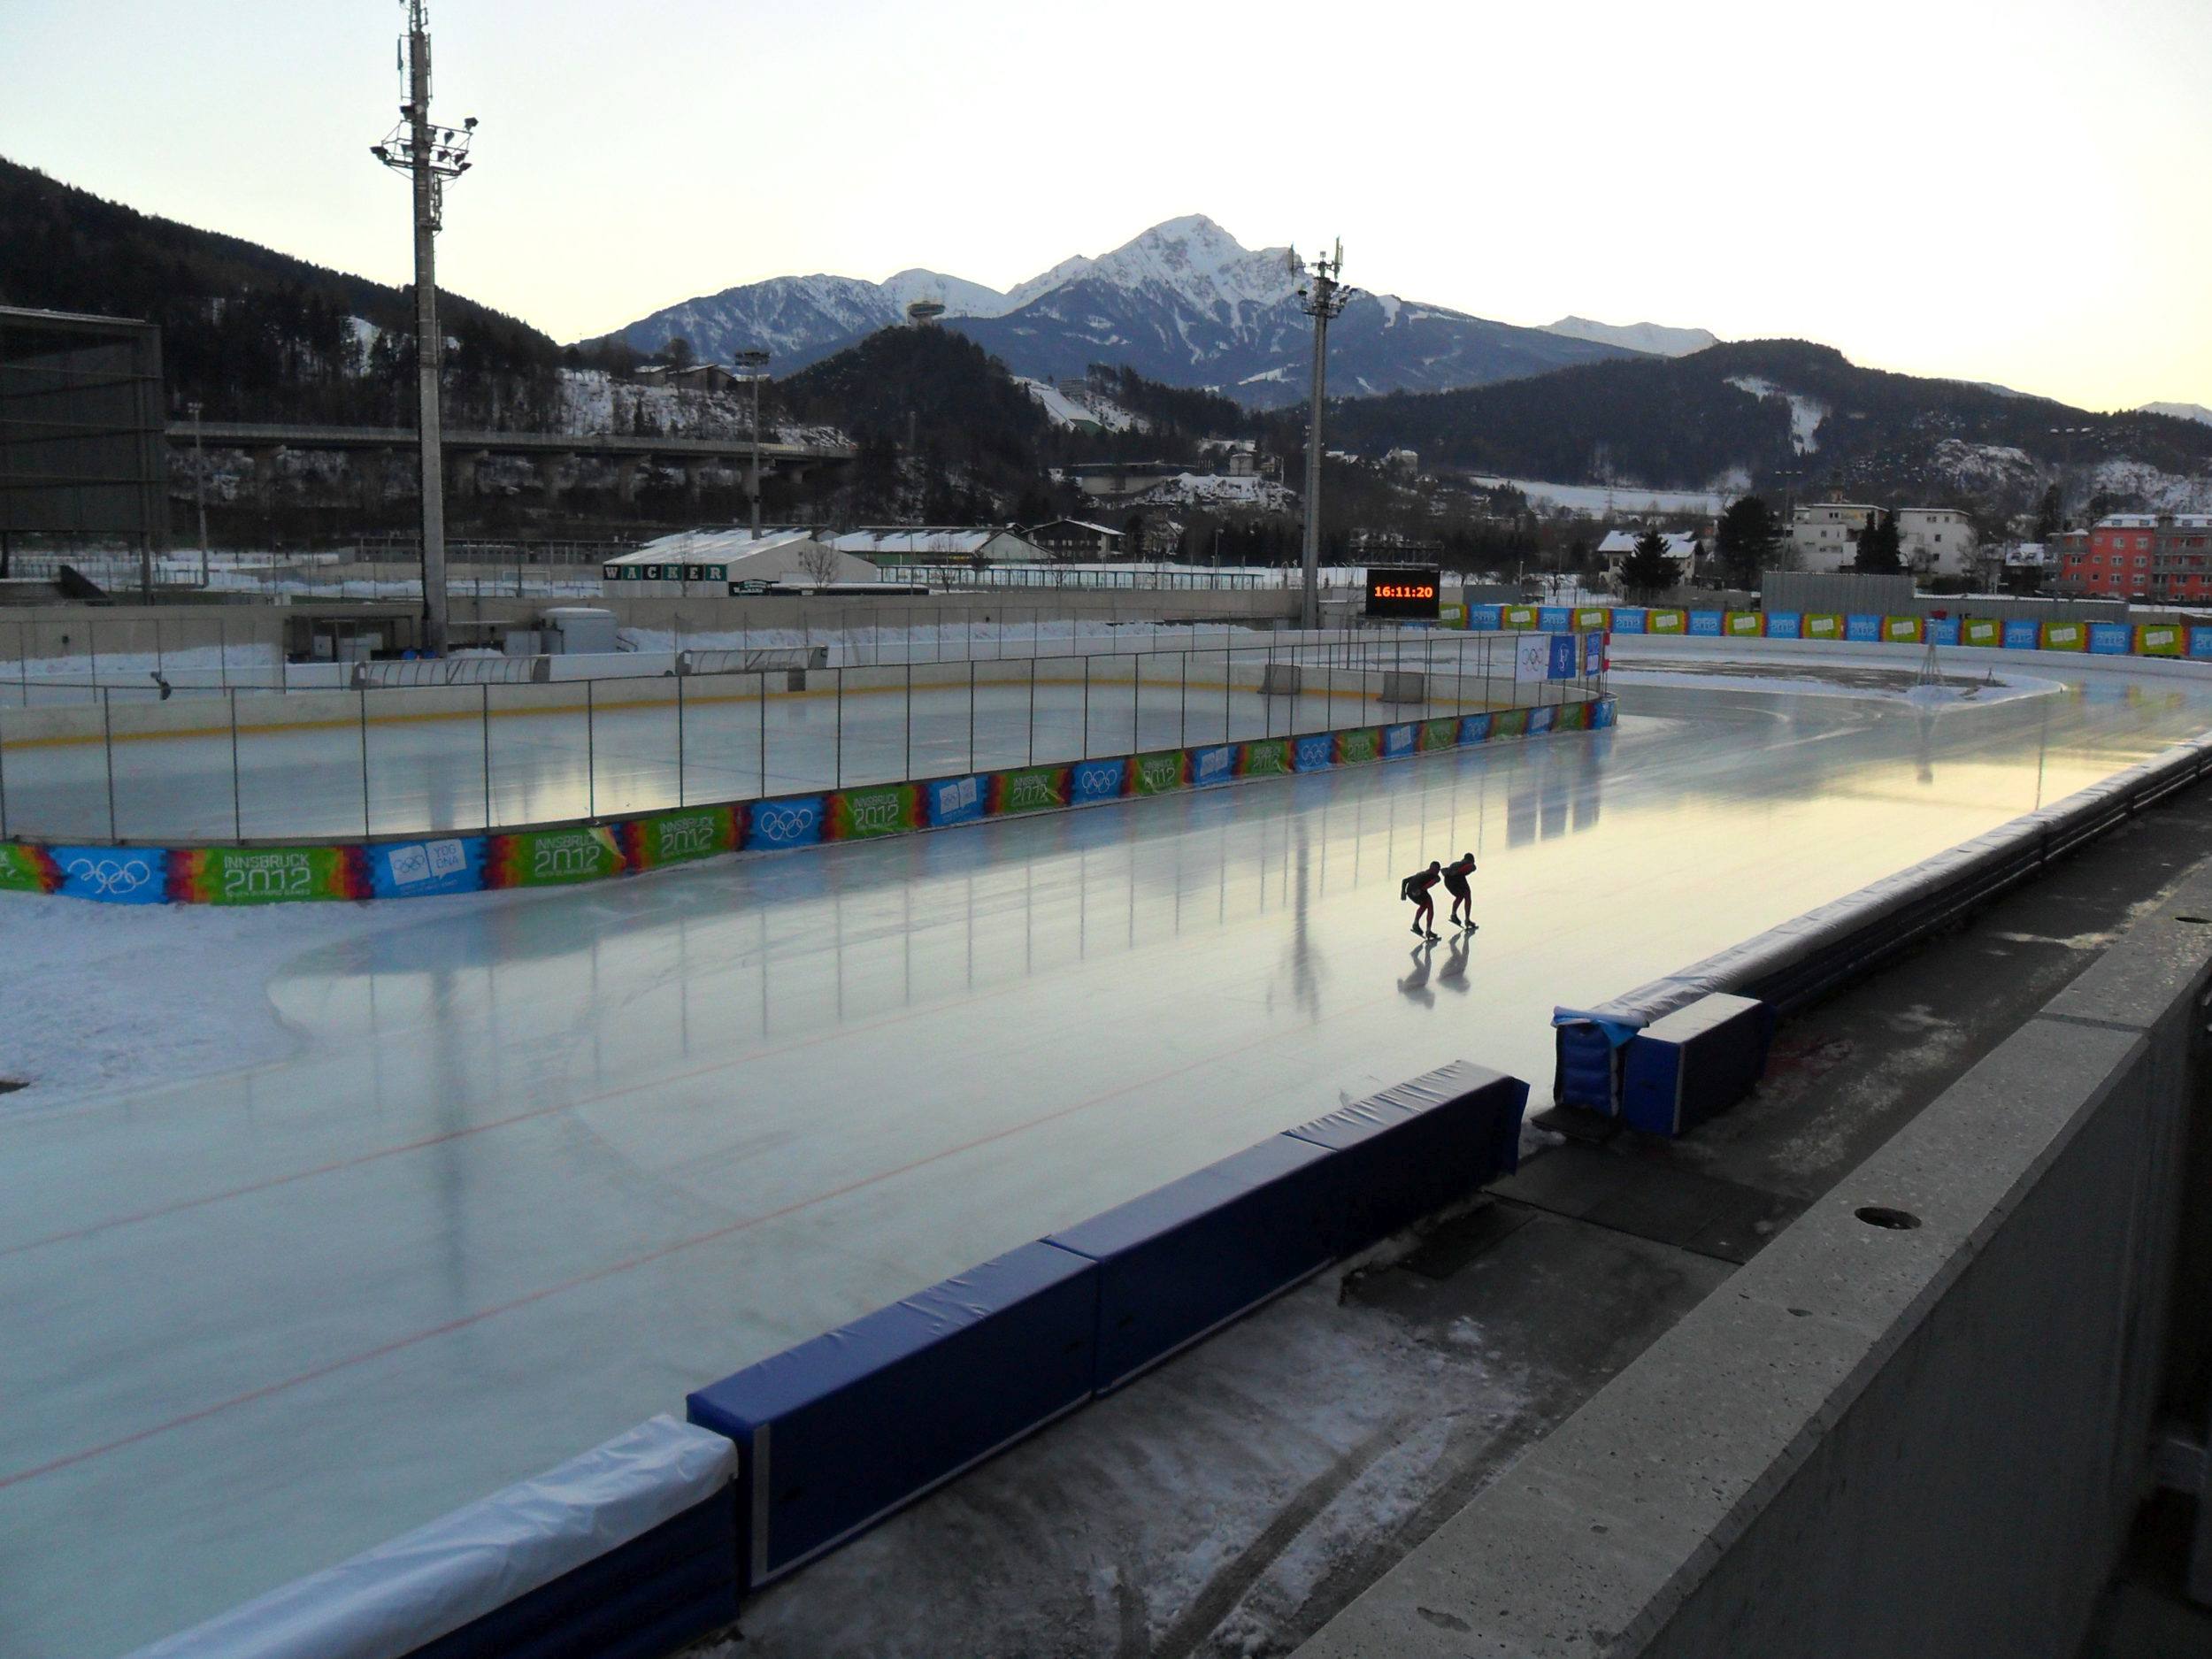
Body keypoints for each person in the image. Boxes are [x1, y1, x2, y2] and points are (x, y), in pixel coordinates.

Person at [1400, 860, 1441, 941]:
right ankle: (1428, 931)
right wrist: (1419, 890)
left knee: (1425, 905)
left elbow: (1405, 881)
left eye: (1438, 870)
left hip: (1411, 891)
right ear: (1432, 869)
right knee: (1430, 906)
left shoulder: (1422, 873)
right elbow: (1435, 880)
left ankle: (1416, 924)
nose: (1438, 872)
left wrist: (1403, 892)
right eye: (1437, 870)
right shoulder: (1431, 876)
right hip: (1416, 891)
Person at [1442, 851, 1479, 931]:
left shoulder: (1457, 863)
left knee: (1460, 896)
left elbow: (1445, 870)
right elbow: (1471, 867)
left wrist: (1449, 872)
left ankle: (1453, 914)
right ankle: (1467, 920)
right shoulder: (1469, 863)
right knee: (1467, 896)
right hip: (1456, 878)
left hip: (1448, 880)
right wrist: (1456, 872)